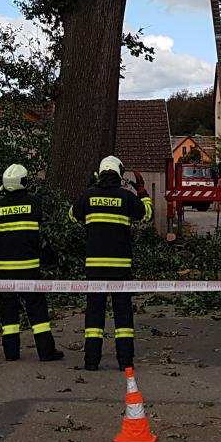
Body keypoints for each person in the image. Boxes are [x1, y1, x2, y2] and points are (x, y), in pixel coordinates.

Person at [69, 155, 152, 371]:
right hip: (120, 267)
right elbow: (147, 215)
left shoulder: (89, 197)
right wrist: (142, 191)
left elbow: (72, 215)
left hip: (94, 267)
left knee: (94, 313)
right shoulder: (126, 197)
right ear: (118, 174)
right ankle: (125, 361)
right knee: (123, 314)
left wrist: (89, 188)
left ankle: (91, 361)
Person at [0, 163, 65, 363]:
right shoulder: (33, 203)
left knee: (8, 312)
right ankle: (46, 352)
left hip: (4, 269)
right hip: (29, 267)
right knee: (37, 309)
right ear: (24, 182)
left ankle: (11, 353)